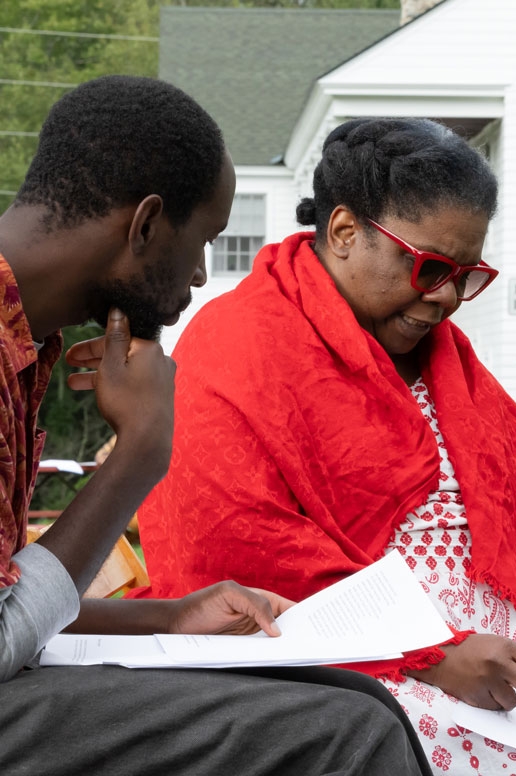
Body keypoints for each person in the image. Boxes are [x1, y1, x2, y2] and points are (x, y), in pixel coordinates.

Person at [0, 81, 434, 776]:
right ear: (144, 227)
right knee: (347, 733)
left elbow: (8, 598)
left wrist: (169, 617)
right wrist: (136, 456)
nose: (201, 275)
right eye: (201, 239)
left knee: (354, 699)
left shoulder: (26, 343)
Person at [135, 117, 516, 774]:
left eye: (467, 275)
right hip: (358, 672)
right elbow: (234, 555)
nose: (449, 298)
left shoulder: (446, 357)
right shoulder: (237, 348)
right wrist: (435, 657)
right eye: (430, 268)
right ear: (345, 233)